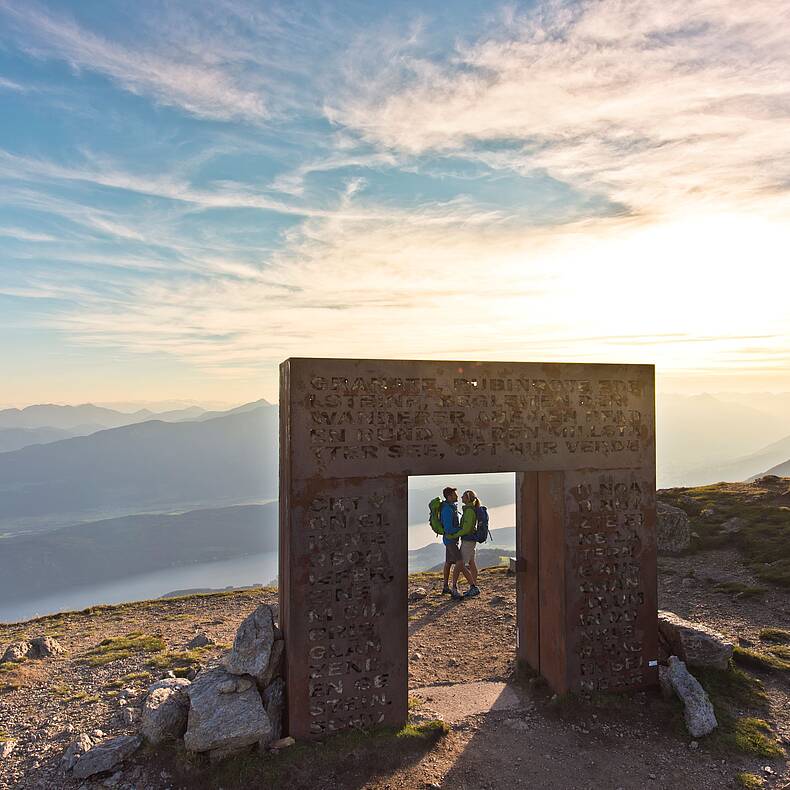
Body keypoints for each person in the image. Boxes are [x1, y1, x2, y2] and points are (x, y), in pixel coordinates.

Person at [440, 486, 475, 600]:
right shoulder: (447, 510)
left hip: (450, 540)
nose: (457, 496)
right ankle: (455, 588)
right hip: (450, 540)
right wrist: (460, 531)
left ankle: (446, 587)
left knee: (449, 562)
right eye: (454, 495)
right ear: (449, 497)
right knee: (460, 561)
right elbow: (449, 528)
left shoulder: (451, 507)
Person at [451, 489, 482, 598]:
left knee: (460, 564)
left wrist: (454, 535)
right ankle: (473, 586)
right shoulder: (469, 509)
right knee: (472, 562)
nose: (461, 498)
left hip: (468, 541)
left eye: (463, 496)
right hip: (470, 541)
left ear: (467, 498)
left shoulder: (469, 511)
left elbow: (466, 528)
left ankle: (455, 587)